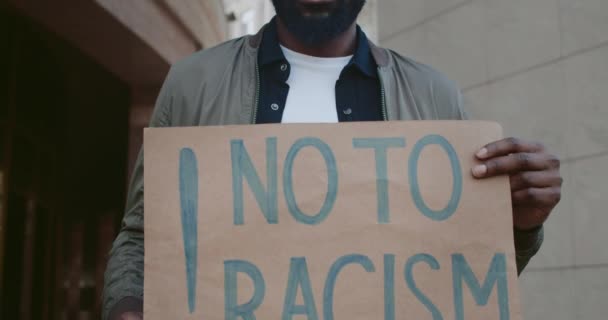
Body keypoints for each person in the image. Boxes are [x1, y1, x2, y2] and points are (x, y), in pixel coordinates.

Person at [103, 0, 563, 319]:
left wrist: (520, 226)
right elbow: (143, 237)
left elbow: (459, 276)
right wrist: (127, 307)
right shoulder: (192, 85)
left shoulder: (433, 95)